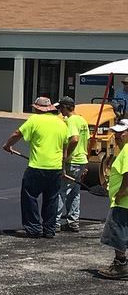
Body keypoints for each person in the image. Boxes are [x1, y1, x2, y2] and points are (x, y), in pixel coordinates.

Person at [2, 95, 70, 239]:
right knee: (51, 199)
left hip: (37, 166)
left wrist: (8, 146)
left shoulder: (34, 120)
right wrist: (63, 168)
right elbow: (65, 150)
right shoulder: (61, 124)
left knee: (29, 197)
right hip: (55, 168)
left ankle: (33, 228)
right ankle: (49, 229)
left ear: (38, 109)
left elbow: (17, 134)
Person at [98, 119, 128, 278]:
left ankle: (120, 265)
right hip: (123, 202)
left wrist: (122, 192)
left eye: (121, 132)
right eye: (116, 132)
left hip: (123, 203)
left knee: (118, 234)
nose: (117, 135)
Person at [57, 96, 88, 233]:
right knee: (75, 192)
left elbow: (74, 139)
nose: (60, 111)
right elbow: (87, 141)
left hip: (72, 161)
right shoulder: (82, 120)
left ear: (65, 107)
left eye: (60, 108)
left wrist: (66, 156)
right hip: (82, 160)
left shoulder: (71, 121)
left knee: (61, 191)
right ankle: (73, 221)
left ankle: (55, 222)